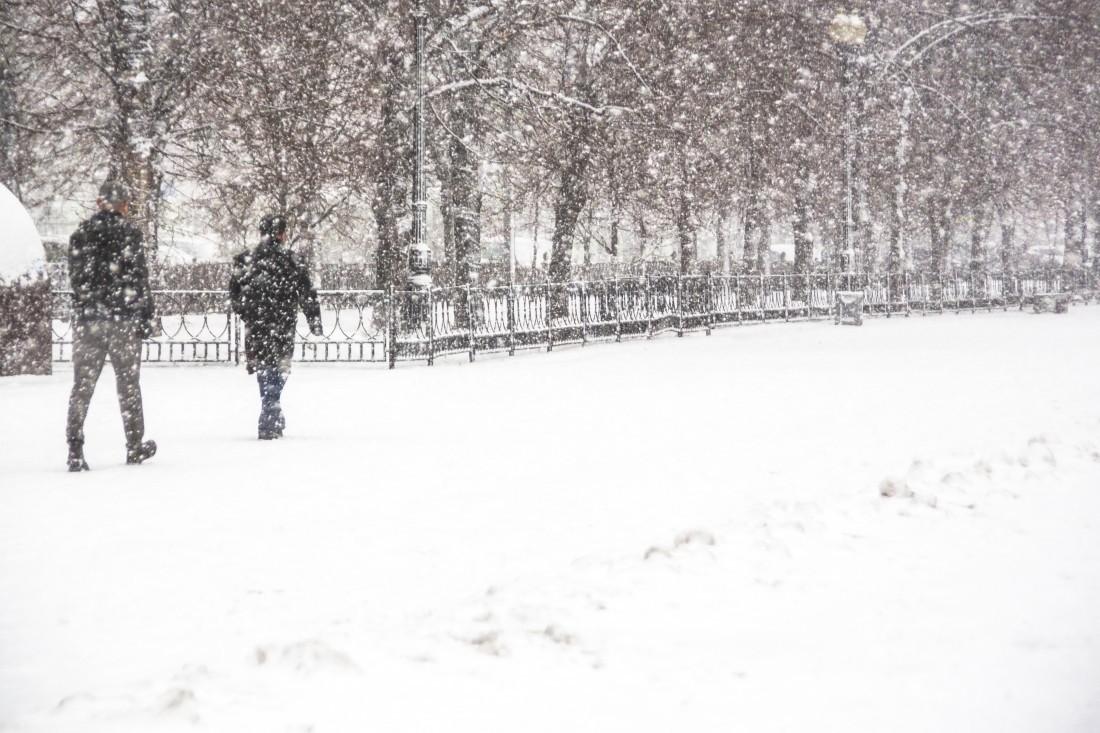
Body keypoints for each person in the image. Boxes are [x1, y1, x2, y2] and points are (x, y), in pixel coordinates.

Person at [65, 180, 158, 471]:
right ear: (124, 205)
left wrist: (90, 302)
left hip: (89, 320)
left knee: (82, 385)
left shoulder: (81, 234)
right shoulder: (130, 234)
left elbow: (76, 278)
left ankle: (75, 447)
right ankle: (134, 445)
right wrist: (144, 314)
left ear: (99, 203)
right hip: (122, 320)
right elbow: (140, 280)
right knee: (128, 385)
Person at [229, 214, 323, 440]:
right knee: (279, 368)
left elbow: (234, 294)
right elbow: (307, 293)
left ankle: (271, 409)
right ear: (282, 234)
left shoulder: (246, 260)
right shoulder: (292, 260)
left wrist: (249, 313)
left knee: (264, 367)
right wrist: (314, 322)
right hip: (282, 324)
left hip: (258, 325)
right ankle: (271, 410)